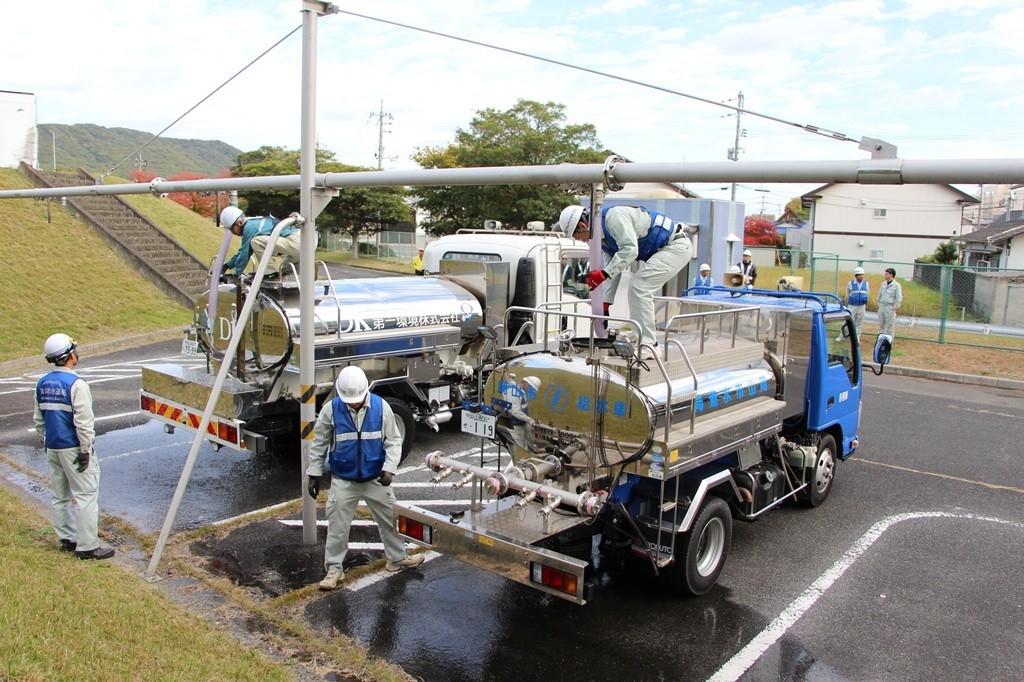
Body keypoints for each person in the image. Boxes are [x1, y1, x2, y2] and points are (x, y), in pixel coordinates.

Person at [306, 366, 423, 590]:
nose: (353, 404)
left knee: (391, 519)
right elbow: (319, 443)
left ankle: (397, 558)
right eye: (349, 401)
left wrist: (389, 469)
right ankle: (334, 570)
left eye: (356, 400)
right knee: (337, 526)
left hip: (375, 478)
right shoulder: (331, 410)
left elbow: (393, 440)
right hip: (344, 479)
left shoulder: (381, 407)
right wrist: (314, 474)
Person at [557, 204, 692, 346]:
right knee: (637, 287)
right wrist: (605, 305)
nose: (581, 241)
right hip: (663, 248)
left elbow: (630, 250)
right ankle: (639, 334)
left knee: (639, 286)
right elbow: (613, 269)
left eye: (577, 237)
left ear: (583, 226)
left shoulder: (614, 218)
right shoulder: (603, 239)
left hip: (675, 246)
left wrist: (603, 274)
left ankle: (648, 344)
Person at [34, 334, 115, 560]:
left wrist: (45, 442)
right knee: (86, 496)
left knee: (59, 496)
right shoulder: (77, 385)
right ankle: (87, 547)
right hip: (74, 448)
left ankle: (67, 539)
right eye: (74, 350)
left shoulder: (42, 383)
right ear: (70, 355)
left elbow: (39, 420)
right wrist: (86, 451)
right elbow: (84, 424)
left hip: (53, 447)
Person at [219, 206, 300, 280]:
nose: (232, 232)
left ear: (239, 223)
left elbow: (244, 253)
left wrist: (236, 275)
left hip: (294, 242)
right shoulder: (253, 222)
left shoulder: (249, 227)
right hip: (300, 245)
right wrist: (227, 265)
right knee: (285, 274)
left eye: (231, 229)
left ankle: (270, 272)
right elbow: (243, 252)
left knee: (255, 241)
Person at [503, 375, 541, 452]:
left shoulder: (521, 391)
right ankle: (526, 456)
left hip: (522, 421)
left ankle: (535, 451)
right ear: (525, 384)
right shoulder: (513, 393)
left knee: (530, 440)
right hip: (514, 424)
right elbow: (515, 411)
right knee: (521, 446)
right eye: (531, 388)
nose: (532, 391)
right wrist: (530, 420)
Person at [876, 267, 903, 338]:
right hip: (882, 306)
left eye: (886, 274)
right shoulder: (883, 284)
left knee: (889, 327)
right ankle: (880, 341)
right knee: (881, 326)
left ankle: (889, 342)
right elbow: (879, 295)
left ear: (891, 275)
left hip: (890, 307)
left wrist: (894, 307)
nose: (885, 275)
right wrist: (879, 304)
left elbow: (899, 298)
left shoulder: (896, 285)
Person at [845, 267, 869, 341]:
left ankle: (857, 337)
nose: (861, 277)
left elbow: (867, 294)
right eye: (859, 275)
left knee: (859, 322)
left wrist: (866, 302)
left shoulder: (866, 283)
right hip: (852, 305)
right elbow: (847, 294)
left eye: (862, 275)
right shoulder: (850, 283)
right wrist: (847, 303)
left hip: (861, 306)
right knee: (849, 320)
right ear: (856, 276)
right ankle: (843, 335)